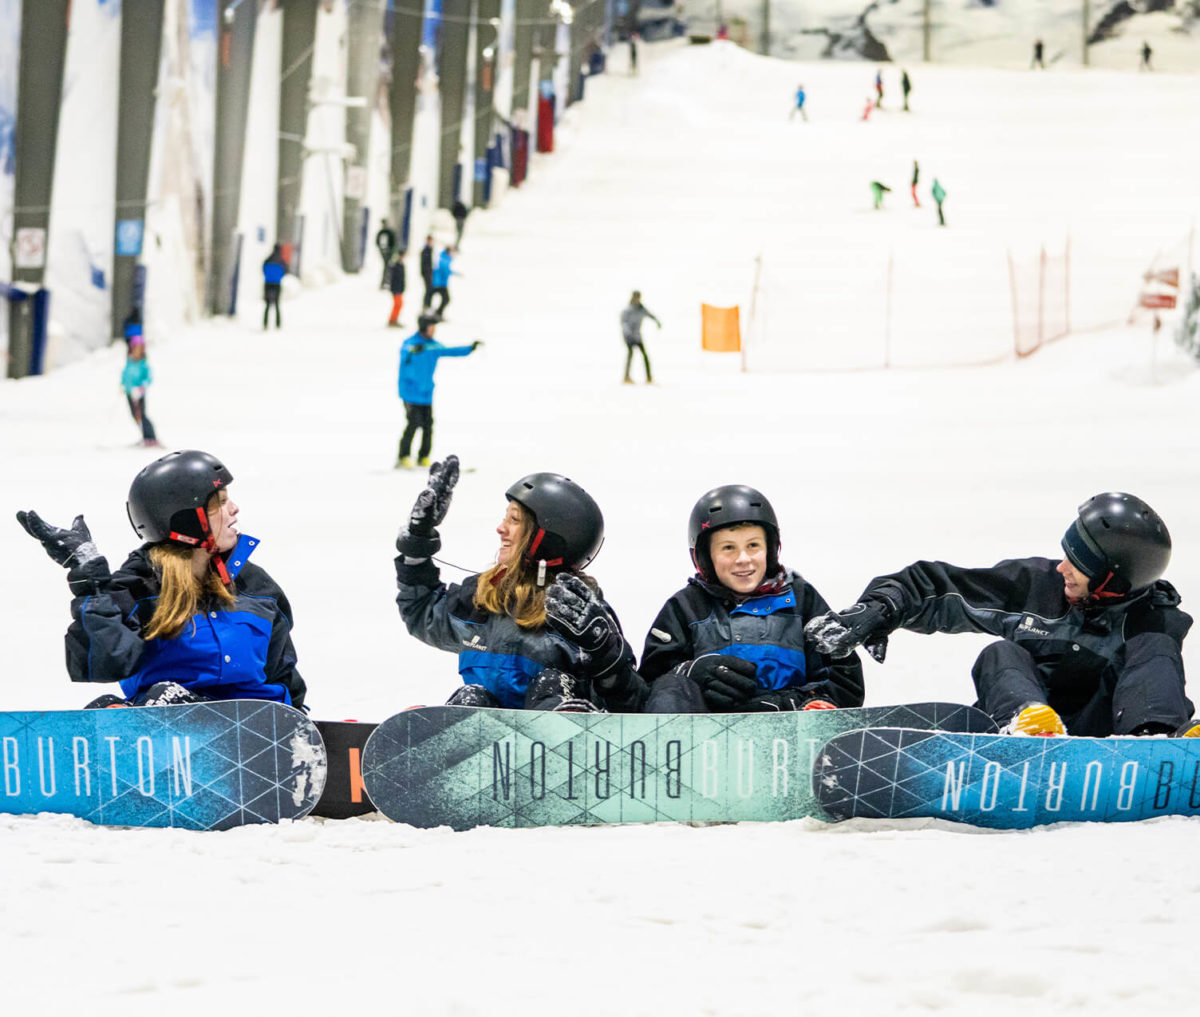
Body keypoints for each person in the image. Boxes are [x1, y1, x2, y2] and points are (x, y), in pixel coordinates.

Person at [804, 492, 1198, 738]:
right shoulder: (1038, 586)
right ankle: (1031, 727)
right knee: (1002, 653)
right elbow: (942, 587)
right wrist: (882, 606)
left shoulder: (1154, 620)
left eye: (1077, 564)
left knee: (1155, 648)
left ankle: (1157, 745)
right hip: (1024, 721)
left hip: (1114, 727)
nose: (1062, 567)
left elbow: (1155, 681)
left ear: (1111, 581)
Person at [16, 449, 306, 709]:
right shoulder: (138, 588)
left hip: (260, 730)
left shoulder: (255, 585)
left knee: (163, 698)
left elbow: (283, 674)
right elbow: (105, 662)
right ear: (186, 519)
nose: (234, 510)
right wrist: (90, 583)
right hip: (171, 730)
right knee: (109, 709)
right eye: (219, 502)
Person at [393, 457, 647, 712]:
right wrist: (418, 540)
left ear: (546, 536)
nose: (500, 529)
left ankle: (563, 717)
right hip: (486, 743)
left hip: (556, 745)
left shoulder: (581, 616)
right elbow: (421, 612)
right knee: (470, 697)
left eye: (514, 520)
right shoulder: (485, 597)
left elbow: (628, 701)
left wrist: (604, 653)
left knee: (551, 686)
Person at [638, 485, 864, 714]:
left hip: (792, 738)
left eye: (753, 545)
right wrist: (691, 672)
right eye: (728, 548)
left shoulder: (802, 599)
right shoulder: (685, 607)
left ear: (771, 549)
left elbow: (844, 685)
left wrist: (786, 705)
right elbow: (649, 692)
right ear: (705, 556)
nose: (743, 559)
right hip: (706, 743)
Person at [396, 315, 481, 469]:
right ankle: (404, 456)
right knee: (413, 423)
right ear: (423, 327)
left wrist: (470, 348)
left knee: (428, 425)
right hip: (410, 393)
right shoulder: (410, 344)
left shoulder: (432, 346)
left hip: (426, 394)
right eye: (431, 327)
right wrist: (414, 350)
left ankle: (423, 456)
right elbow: (406, 351)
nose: (433, 330)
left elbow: (451, 351)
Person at [121, 336, 159, 448]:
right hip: (129, 392)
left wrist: (142, 387)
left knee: (142, 414)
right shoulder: (130, 361)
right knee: (134, 415)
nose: (137, 350)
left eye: (140, 348)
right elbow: (125, 374)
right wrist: (123, 384)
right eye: (136, 347)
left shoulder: (143, 364)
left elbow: (148, 378)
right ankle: (144, 436)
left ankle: (150, 437)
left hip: (139, 393)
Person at [620, 289, 661, 384]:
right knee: (630, 355)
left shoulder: (641, 309)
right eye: (635, 297)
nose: (637, 299)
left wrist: (657, 321)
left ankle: (649, 377)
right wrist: (627, 333)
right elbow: (624, 323)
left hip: (637, 336)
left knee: (645, 355)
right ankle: (626, 377)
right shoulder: (628, 310)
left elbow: (650, 315)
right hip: (629, 337)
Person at [262, 243, 287, 330]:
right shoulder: (281, 261)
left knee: (267, 305)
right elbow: (285, 271)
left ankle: (265, 324)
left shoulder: (267, 260)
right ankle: (278, 324)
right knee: (277, 305)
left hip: (268, 283)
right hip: (277, 284)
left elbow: (263, 269)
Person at [430, 245, 455, 319]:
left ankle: (438, 312)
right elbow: (445, 271)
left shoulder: (445, 258)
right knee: (446, 299)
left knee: (445, 299)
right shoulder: (444, 259)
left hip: (441, 283)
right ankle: (438, 313)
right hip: (440, 283)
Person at [375, 219, 397, 288]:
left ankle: (386, 282)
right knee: (387, 267)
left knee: (387, 267)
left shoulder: (383, 232)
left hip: (386, 252)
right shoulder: (386, 232)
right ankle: (386, 282)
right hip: (386, 252)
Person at [387, 250, 406, 328]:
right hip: (396, 289)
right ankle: (392, 320)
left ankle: (394, 319)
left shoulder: (400, 264)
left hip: (399, 289)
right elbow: (394, 278)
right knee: (397, 304)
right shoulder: (395, 265)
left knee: (399, 304)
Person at [419, 234, 435, 311]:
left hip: (430, 273)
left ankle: (428, 305)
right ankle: (426, 305)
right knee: (428, 289)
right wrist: (424, 273)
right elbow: (423, 264)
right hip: (427, 273)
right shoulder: (425, 251)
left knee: (430, 289)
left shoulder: (431, 249)